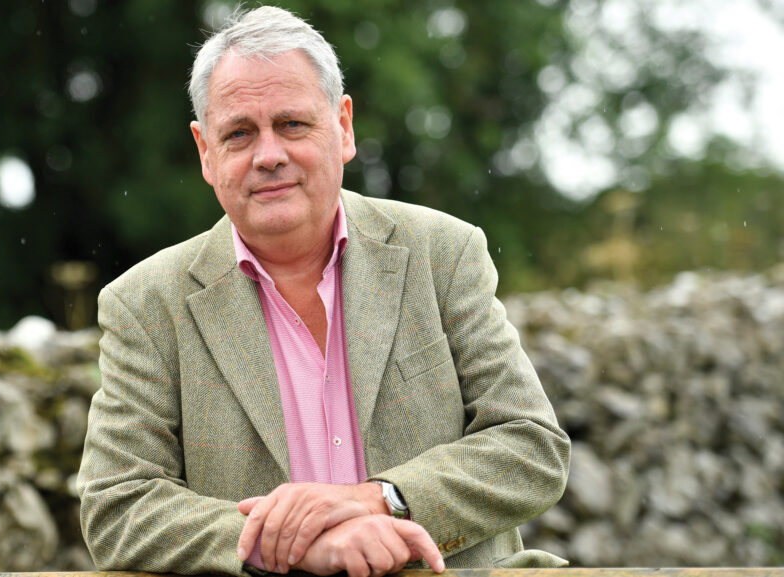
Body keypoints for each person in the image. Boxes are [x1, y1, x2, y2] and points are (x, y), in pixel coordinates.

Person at [77, 6, 570, 577]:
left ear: (344, 127)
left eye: (291, 124)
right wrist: (289, 545)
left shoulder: (443, 252)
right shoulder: (144, 303)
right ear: (206, 152)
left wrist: (377, 499)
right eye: (239, 133)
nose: (268, 155)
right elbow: (117, 505)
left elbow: (531, 445)